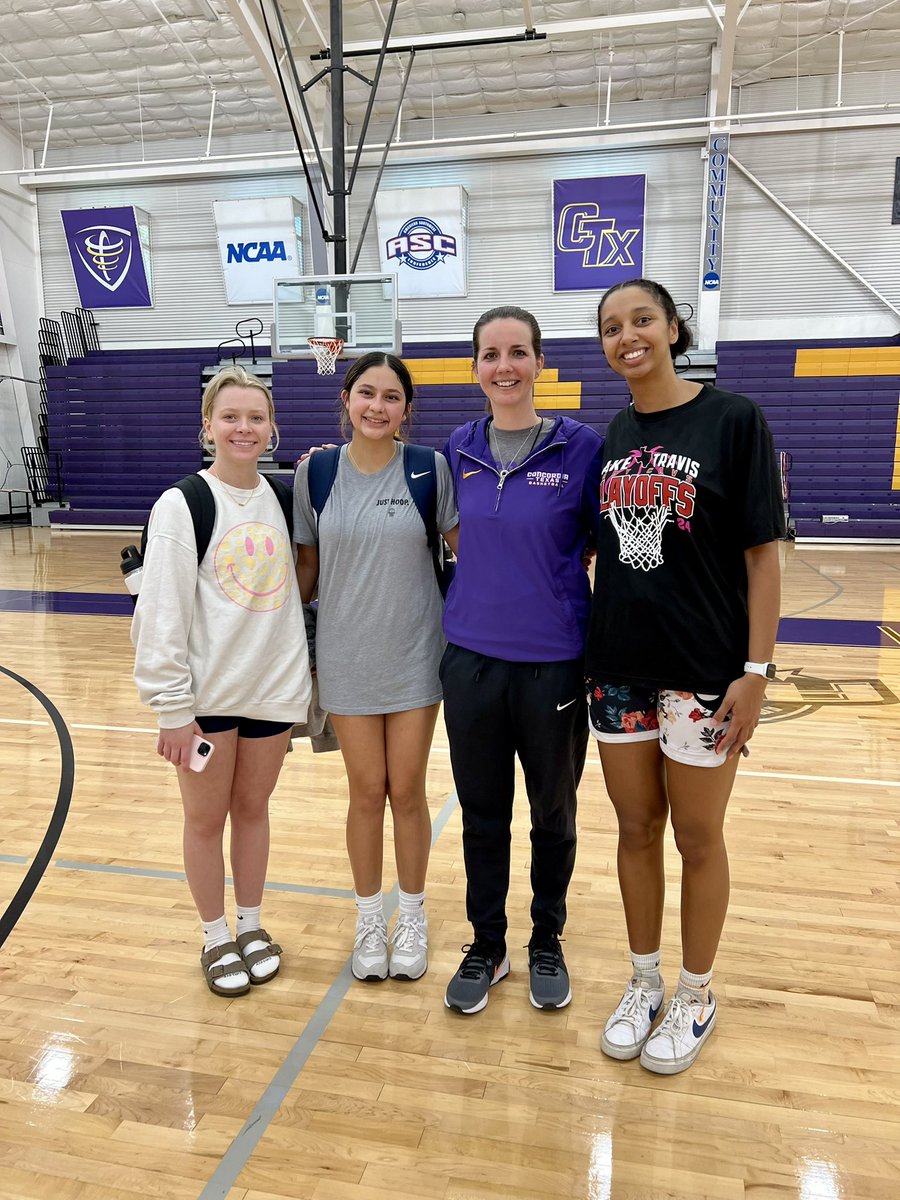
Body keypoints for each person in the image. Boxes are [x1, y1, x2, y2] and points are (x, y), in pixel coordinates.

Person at [586, 278, 783, 1073]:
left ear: (673, 327)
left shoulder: (734, 419)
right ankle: (645, 982)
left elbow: (762, 556)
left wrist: (756, 670)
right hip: (618, 670)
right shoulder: (613, 433)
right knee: (635, 830)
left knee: (698, 837)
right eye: (611, 327)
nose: (627, 336)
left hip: (703, 674)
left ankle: (697, 993)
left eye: (642, 319)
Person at [440, 305, 603, 1015]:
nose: (503, 366)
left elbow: (608, 544)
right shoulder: (458, 447)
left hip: (553, 665)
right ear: (476, 367)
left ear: (539, 362)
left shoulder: (582, 448)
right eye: (490, 354)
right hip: (470, 662)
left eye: (516, 352)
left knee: (552, 814)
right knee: (482, 814)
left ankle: (545, 939)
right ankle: (488, 943)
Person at [132, 365, 312, 997]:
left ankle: (252, 926)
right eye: (230, 416)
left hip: (272, 691)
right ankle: (215, 936)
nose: (244, 428)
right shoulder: (183, 504)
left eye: (256, 417)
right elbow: (160, 612)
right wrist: (171, 708)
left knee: (254, 811)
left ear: (272, 428)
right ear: (207, 426)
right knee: (206, 820)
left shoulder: (284, 499)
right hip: (207, 699)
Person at [293, 353, 459, 984]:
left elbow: (471, 555)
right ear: (346, 399)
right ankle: (369, 919)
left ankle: (411, 915)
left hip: (416, 655)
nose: (377, 407)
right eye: (367, 393)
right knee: (365, 792)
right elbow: (305, 573)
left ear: (406, 410)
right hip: (346, 658)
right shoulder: (315, 473)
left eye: (392, 397)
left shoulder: (428, 469)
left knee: (406, 791)